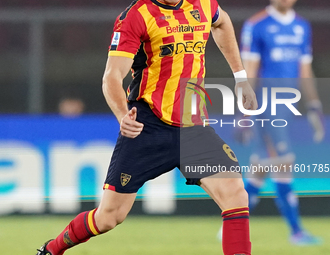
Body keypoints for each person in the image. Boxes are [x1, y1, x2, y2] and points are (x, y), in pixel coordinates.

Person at [36, 0, 258, 254]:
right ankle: (52, 248)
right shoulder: (136, 16)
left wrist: (240, 77)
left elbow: (222, 22)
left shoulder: (203, 4)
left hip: (194, 128)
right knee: (109, 217)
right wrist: (123, 116)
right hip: (147, 126)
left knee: (236, 195)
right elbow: (111, 77)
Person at [240, 0, 324, 245]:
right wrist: (245, 112)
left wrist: (314, 105)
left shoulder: (302, 26)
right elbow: (250, 69)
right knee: (283, 161)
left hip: (288, 107)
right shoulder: (256, 25)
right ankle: (296, 231)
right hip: (266, 106)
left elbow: (304, 69)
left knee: (260, 168)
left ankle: (231, 224)